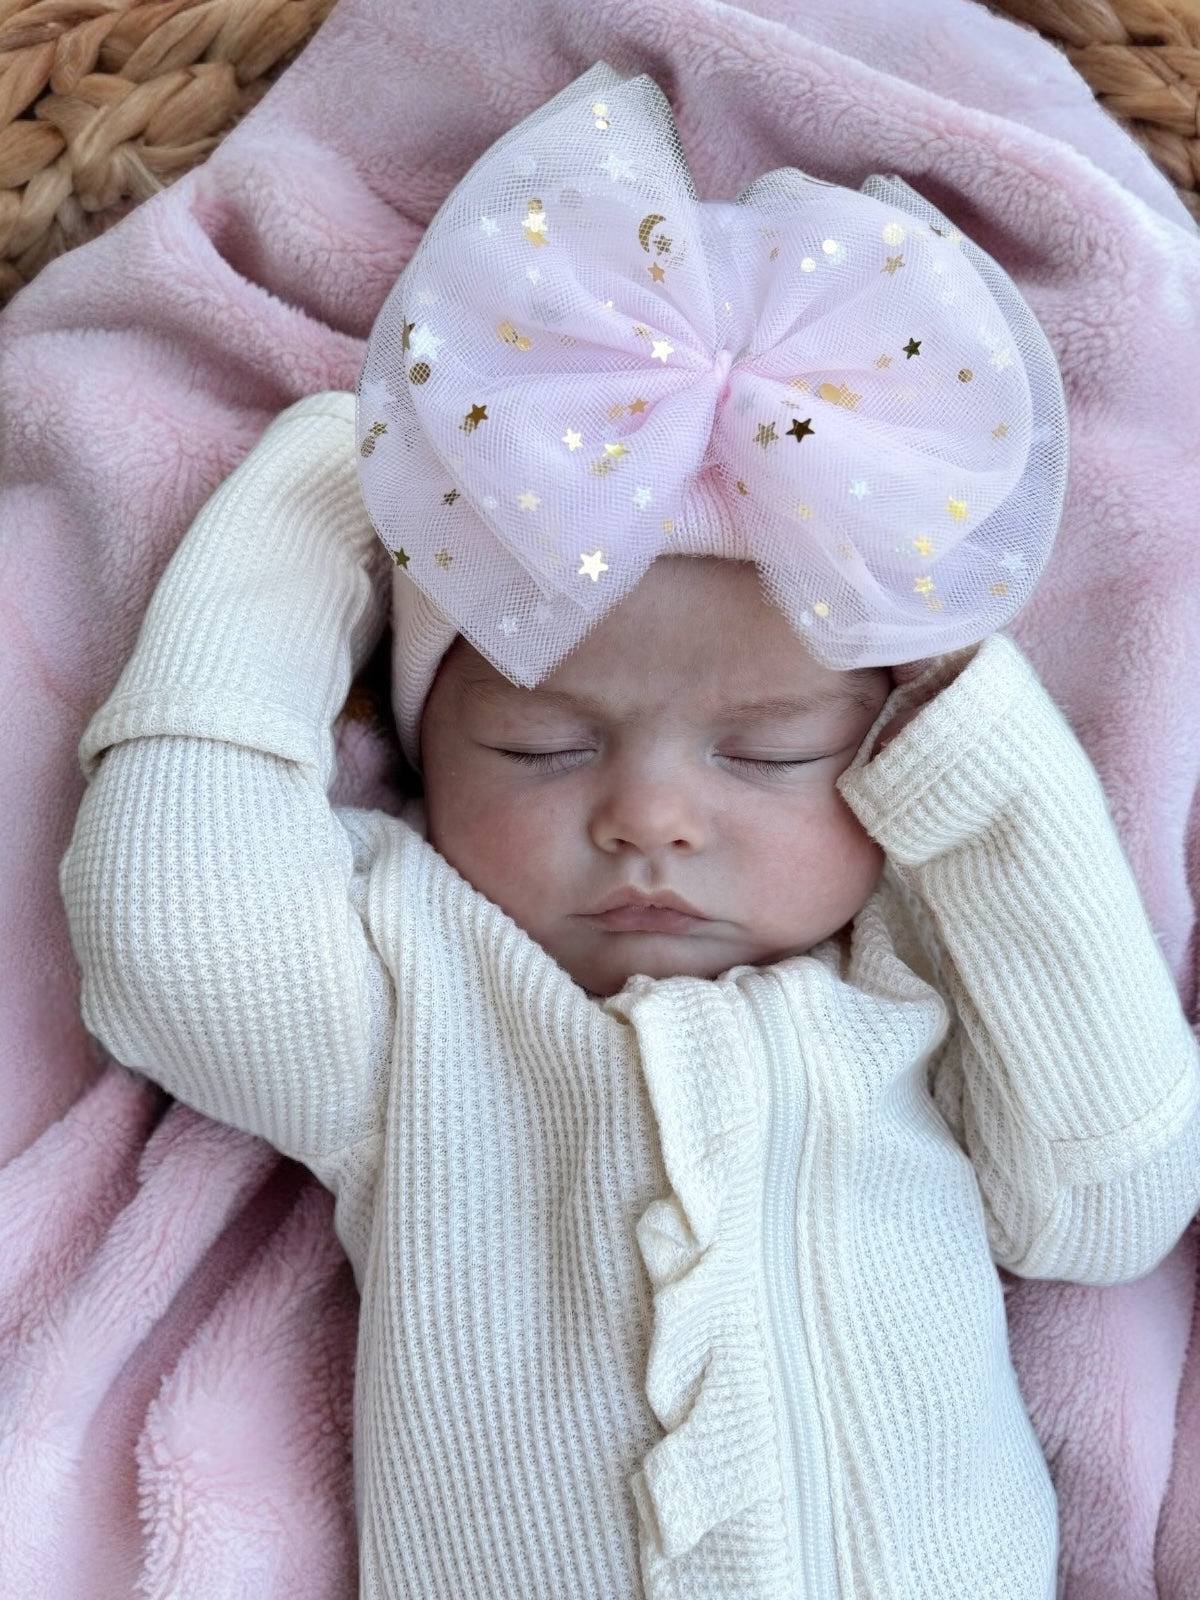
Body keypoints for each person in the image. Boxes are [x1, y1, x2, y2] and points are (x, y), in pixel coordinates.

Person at [59, 61, 1200, 1600]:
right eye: (543, 744)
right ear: (421, 748)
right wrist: (328, 497)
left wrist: (974, 743)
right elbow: (173, 952)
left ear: (886, 757)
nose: (653, 817)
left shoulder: (912, 987)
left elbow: (1110, 1204)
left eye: (774, 752)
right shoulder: (425, 996)